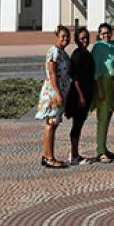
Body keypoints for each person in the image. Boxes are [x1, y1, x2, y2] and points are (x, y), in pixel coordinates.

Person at [35, 25, 72, 168]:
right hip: (53, 93)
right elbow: (52, 74)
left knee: (52, 124)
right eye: (63, 36)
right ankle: (49, 157)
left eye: (67, 37)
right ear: (57, 36)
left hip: (60, 92)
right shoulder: (54, 51)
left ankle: (46, 155)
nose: (65, 39)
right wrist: (58, 93)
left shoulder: (63, 53)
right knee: (51, 124)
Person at [91, 22, 114, 163]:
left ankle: (104, 147)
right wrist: (100, 90)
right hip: (103, 83)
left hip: (113, 83)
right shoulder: (98, 47)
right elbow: (96, 69)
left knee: (108, 116)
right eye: (103, 33)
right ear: (99, 35)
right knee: (102, 118)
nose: (106, 35)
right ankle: (100, 151)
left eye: (108, 32)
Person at [65, 27, 96, 165]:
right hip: (79, 95)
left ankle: (75, 153)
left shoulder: (86, 53)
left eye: (86, 38)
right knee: (77, 124)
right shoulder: (78, 55)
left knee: (80, 123)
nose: (85, 40)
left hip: (87, 92)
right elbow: (75, 76)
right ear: (77, 40)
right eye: (82, 38)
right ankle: (74, 154)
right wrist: (81, 96)